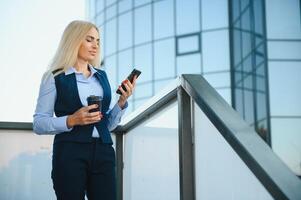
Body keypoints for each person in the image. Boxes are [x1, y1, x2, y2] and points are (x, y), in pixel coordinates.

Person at [33, 20, 136, 200]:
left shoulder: (101, 76)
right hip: (69, 152)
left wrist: (121, 102)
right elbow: (39, 123)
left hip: (104, 152)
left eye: (98, 41)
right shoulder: (54, 77)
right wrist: (72, 120)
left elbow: (107, 124)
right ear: (74, 40)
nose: (95, 45)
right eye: (89, 40)